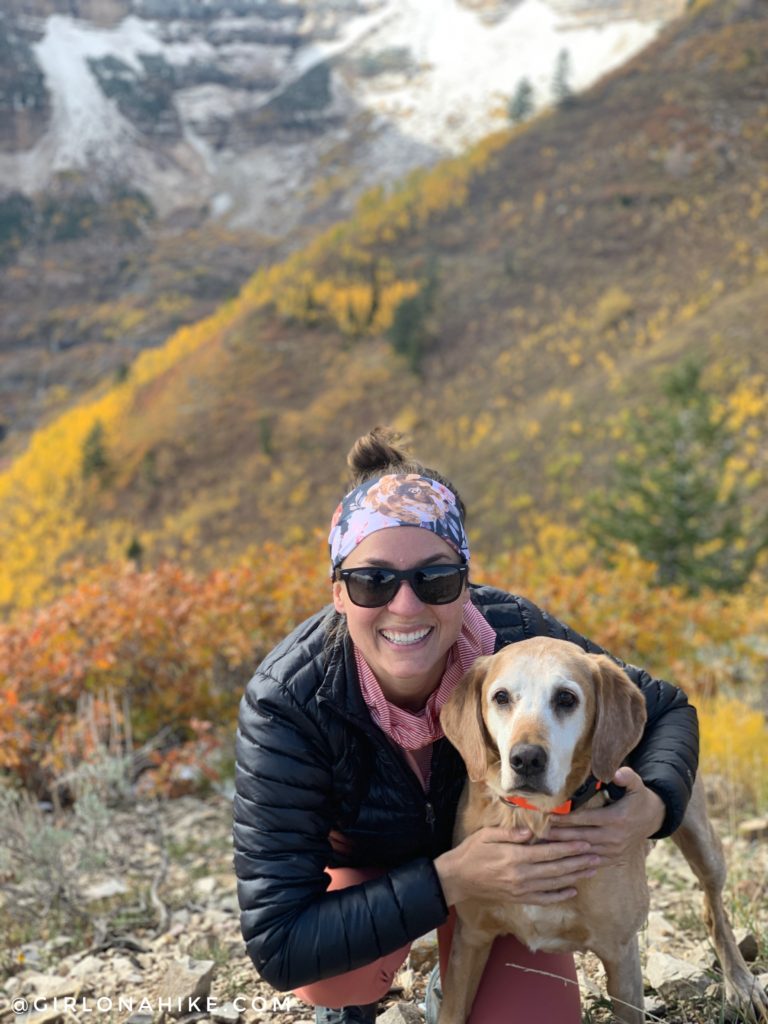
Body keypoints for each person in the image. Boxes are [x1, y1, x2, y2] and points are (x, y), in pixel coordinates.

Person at [233, 426, 699, 1024]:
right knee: (335, 972)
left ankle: (450, 982)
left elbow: (667, 709)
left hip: (509, 875)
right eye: (372, 580)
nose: (405, 606)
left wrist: (655, 805)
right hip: (384, 873)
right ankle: (359, 999)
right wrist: (451, 876)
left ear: (465, 585)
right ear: (338, 593)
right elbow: (279, 943)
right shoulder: (287, 701)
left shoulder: (519, 640)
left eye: (436, 578)